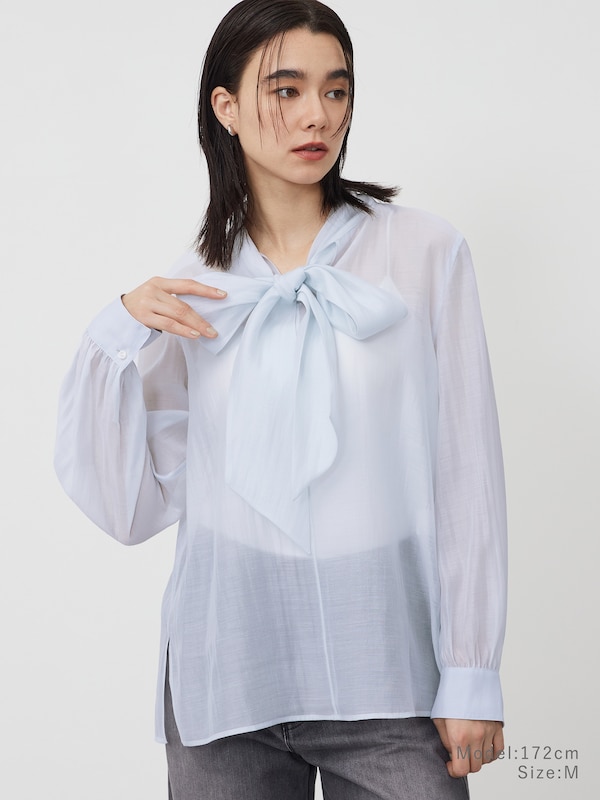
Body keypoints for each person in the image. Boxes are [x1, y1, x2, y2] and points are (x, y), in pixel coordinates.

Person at [54, 0, 508, 797]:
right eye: (286, 90)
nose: (317, 116)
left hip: (388, 666)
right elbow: (131, 508)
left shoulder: (424, 253)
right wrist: (117, 329)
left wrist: (472, 671)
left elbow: (466, 471)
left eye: (336, 90)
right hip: (227, 672)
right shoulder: (192, 286)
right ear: (225, 107)